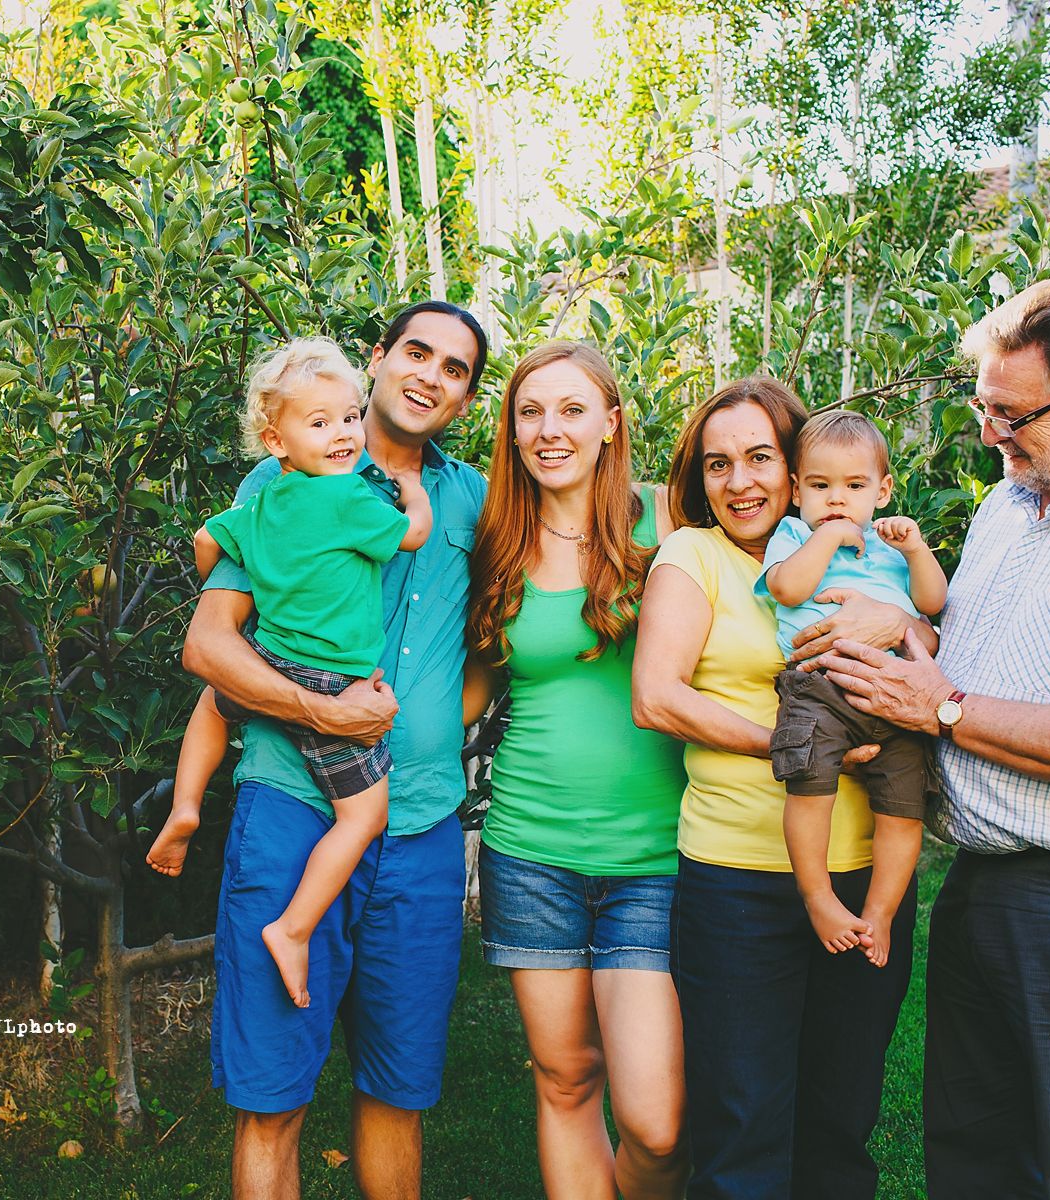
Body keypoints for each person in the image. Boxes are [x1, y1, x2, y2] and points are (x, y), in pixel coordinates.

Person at [809, 278, 1050, 1199]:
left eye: (1010, 412)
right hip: (980, 886)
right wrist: (908, 632)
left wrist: (948, 710)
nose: (987, 433)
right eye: (982, 405)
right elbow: (966, 653)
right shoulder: (1014, 501)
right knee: (972, 1155)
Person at [182, 301, 489, 1200]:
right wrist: (325, 717)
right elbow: (210, 648)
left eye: (457, 368)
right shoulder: (275, 490)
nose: (432, 375)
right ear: (378, 360)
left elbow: (501, 640)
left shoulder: (472, 499)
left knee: (397, 1093)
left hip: (422, 822)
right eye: (417, 352)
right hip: (293, 805)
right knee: (272, 1099)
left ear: (467, 397)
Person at [632, 377, 939, 1199]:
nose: (740, 482)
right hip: (737, 879)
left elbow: (928, 623)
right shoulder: (692, 555)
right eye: (717, 464)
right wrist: (807, 747)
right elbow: (658, 696)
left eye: (760, 457)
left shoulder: (865, 546)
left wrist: (902, 623)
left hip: (868, 868)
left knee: (841, 1120)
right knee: (741, 1125)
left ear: (798, 465)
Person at [461, 340, 688, 1199]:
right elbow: (471, 695)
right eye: (529, 411)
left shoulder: (670, 521)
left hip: (657, 856)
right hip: (533, 851)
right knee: (563, 1083)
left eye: (570, 409)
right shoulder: (499, 543)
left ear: (611, 423)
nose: (547, 429)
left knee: (656, 1125)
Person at [146, 337, 432, 1009]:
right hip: (333, 680)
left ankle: (185, 804)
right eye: (321, 422)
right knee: (362, 818)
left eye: (349, 417)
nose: (343, 434)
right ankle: (294, 928)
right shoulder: (351, 499)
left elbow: (207, 542)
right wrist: (413, 495)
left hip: (272, 659)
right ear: (277, 438)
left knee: (218, 702)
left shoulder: (267, 501)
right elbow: (412, 536)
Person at [755, 410, 946, 967]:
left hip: (895, 692)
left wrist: (915, 550)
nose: (836, 499)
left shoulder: (892, 550)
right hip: (818, 687)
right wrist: (832, 535)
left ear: (883, 490)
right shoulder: (792, 537)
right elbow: (788, 589)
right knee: (810, 787)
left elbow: (932, 605)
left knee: (903, 809)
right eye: (820, 486)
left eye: (854, 486)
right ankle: (818, 897)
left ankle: (881, 912)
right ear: (796, 491)